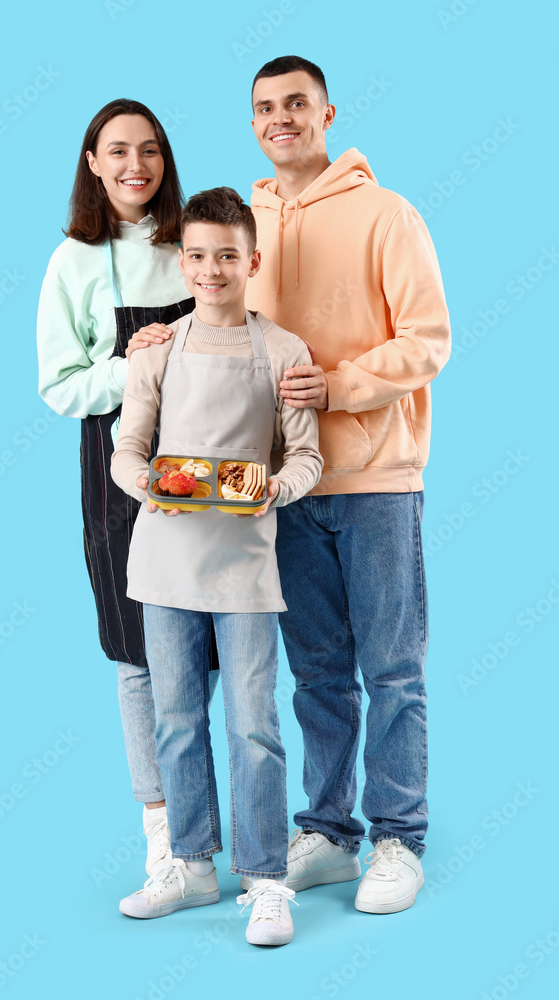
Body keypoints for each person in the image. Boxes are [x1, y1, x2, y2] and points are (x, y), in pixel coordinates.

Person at [244, 55, 451, 913]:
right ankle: (327, 833)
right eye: (264, 107)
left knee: (392, 668)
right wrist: (159, 342)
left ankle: (398, 838)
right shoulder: (241, 217)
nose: (280, 118)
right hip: (284, 485)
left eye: (296, 103)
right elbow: (216, 313)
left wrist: (339, 384)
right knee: (315, 672)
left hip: (373, 476)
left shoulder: (385, 213)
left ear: (327, 112)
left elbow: (427, 338)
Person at [111, 187, 323, 946]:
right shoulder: (158, 351)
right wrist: (144, 486)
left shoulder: (283, 351)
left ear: (251, 261)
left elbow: (305, 457)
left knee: (253, 722)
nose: (210, 269)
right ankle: (191, 865)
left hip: (245, 563)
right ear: (181, 260)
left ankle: (265, 879)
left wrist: (274, 487)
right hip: (164, 557)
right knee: (174, 717)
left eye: (226, 256)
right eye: (196, 256)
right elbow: (127, 450)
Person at [36, 99, 218, 878]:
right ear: (92, 162)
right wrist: (132, 364)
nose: (134, 165)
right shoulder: (72, 261)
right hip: (120, 473)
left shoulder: (195, 246)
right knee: (138, 650)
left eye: (148, 151)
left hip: (208, 462)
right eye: (117, 152)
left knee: (213, 642)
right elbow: (59, 386)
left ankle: (212, 823)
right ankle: (163, 834)